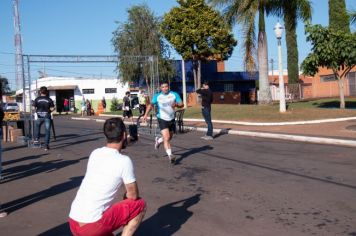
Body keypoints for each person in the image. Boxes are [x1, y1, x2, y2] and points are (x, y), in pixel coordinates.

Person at [68, 118, 146, 236]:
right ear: (124, 135)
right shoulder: (124, 161)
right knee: (139, 204)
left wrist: (126, 141)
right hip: (91, 227)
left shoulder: (95, 153)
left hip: (74, 221)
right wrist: (126, 196)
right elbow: (133, 195)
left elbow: (113, 149)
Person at [143, 81, 183, 164]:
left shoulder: (174, 94)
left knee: (170, 137)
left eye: (166, 87)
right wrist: (145, 115)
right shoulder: (157, 96)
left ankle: (159, 141)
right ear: (160, 88)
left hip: (171, 119)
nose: (165, 88)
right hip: (162, 119)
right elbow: (150, 105)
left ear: (168, 87)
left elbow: (181, 104)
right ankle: (170, 155)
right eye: (163, 87)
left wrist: (176, 104)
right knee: (167, 137)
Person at [33, 86, 55, 150]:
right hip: (47, 116)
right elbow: (52, 108)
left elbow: (33, 108)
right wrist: (50, 111)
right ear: (46, 92)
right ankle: (46, 146)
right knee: (47, 131)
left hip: (39, 116)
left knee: (37, 127)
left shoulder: (37, 99)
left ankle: (36, 140)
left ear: (40, 92)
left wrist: (36, 112)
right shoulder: (49, 99)